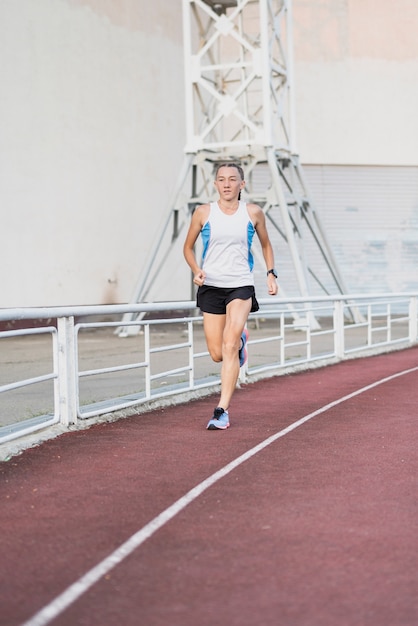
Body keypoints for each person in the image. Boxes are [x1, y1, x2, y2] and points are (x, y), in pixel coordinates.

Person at [183, 162, 279, 430]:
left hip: (240, 285)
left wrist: (271, 273)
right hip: (211, 286)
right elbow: (188, 248)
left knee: (228, 345)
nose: (226, 184)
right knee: (217, 353)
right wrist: (195, 270)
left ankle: (221, 410)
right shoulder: (203, 213)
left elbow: (266, 244)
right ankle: (240, 343)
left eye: (232, 179)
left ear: (242, 184)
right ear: (215, 184)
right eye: (221, 179)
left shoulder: (253, 213)